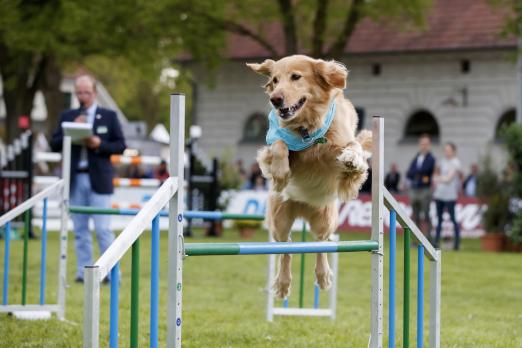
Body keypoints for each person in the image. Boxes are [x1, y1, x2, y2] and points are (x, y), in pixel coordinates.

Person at [50, 75, 126, 283]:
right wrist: (71, 129)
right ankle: (83, 272)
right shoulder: (68, 115)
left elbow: (120, 146)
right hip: (76, 179)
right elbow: (53, 143)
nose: (83, 96)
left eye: (87, 92)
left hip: (99, 180)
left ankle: (112, 272)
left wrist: (98, 143)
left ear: (95, 93)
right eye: (79, 92)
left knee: (103, 229)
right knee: (80, 230)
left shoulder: (108, 116)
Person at [406, 134, 436, 238]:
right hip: (415, 189)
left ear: (429, 145)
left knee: (426, 214)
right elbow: (409, 172)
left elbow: (427, 170)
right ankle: (418, 238)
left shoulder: (431, 158)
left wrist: (417, 173)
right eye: (422, 144)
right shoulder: (417, 158)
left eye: (426, 144)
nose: (424, 146)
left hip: (425, 190)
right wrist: (418, 173)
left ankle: (428, 237)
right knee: (416, 215)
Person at [433, 142, 461, 250]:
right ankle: (436, 242)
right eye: (446, 150)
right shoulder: (442, 161)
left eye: (449, 150)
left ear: (453, 151)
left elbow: (449, 179)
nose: (447, 152)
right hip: (439, 194)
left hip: (450, 196)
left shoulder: (456, 163)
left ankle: (456, 243)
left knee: (453, 219)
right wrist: (439, 178)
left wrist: (438, 178)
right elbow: (436, 173)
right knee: (439, 220)